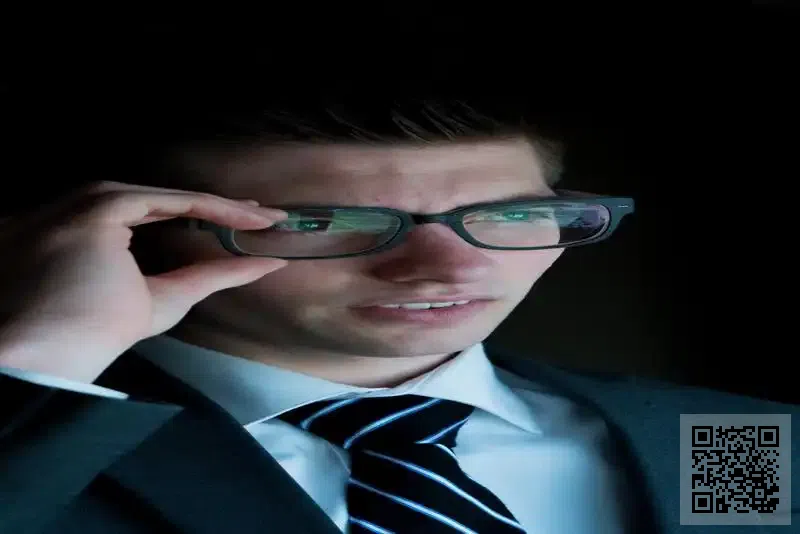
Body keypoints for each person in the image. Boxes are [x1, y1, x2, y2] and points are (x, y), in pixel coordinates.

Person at [0, 93, 796, 534]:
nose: (451, 267)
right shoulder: (36, 447)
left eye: (513, 214)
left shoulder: (722, 435)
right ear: (142, 231)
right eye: (325, 222)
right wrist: (45, 352)